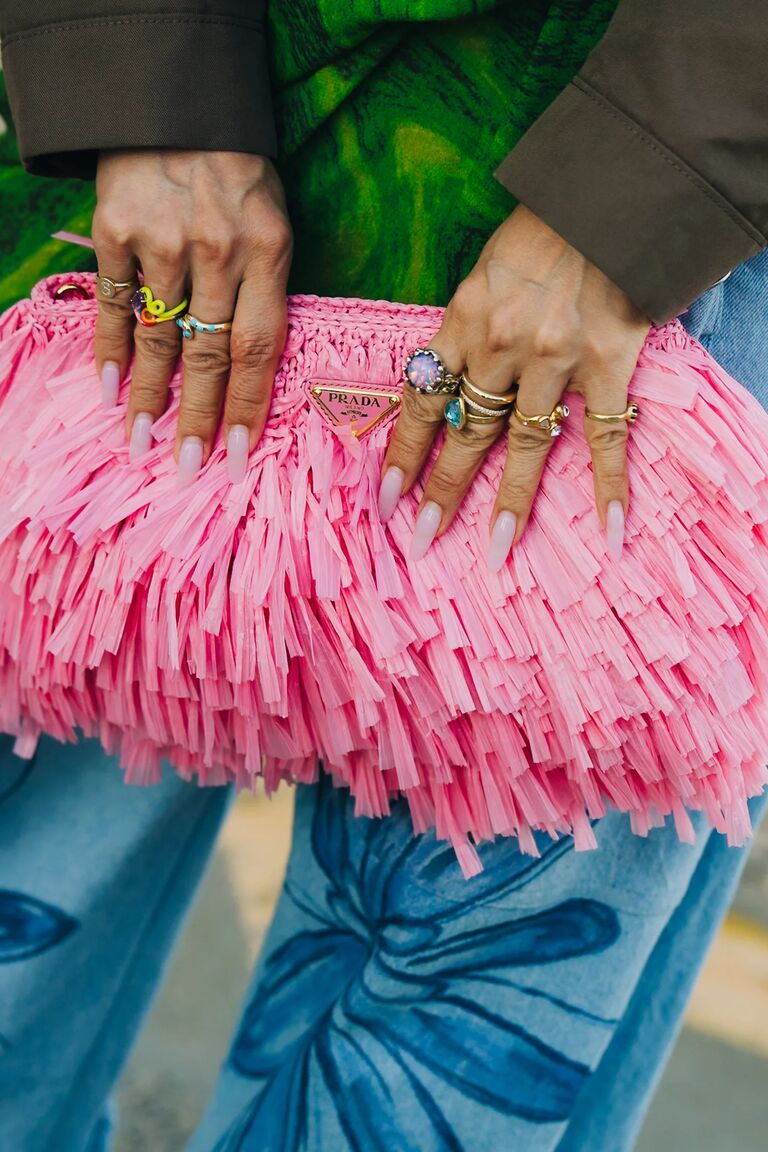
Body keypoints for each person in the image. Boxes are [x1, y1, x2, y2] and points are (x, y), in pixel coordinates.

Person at [0, 1, 766, 1149]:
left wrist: (638, 181)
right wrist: (134, 70)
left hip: (634, 240)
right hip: (151, 173)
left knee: (429, 1053)